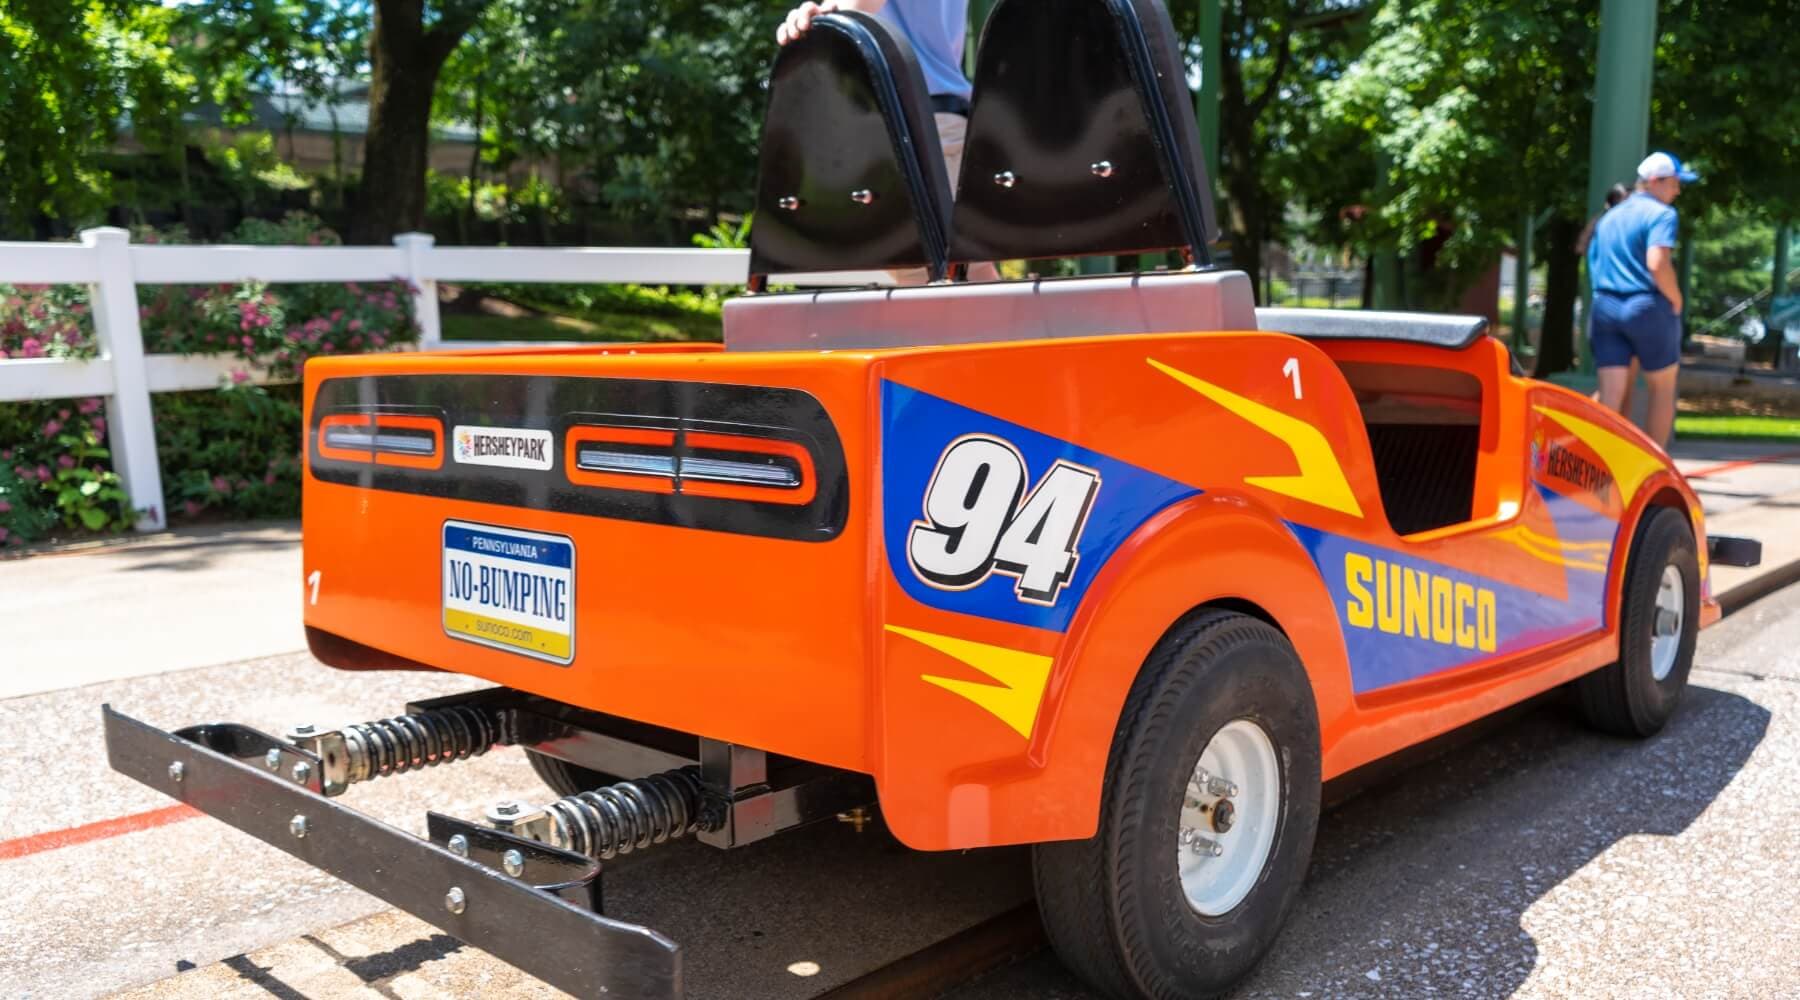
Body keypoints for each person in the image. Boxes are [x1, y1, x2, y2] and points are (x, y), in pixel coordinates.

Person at [777, 0, 1000, 283]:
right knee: (965, 289)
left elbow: (855, 11)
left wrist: (823, 25)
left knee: (950, 295)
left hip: (909, 126)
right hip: (932, 121)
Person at [1585, 151, 1697, 450]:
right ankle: (1655, 473)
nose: (1677, 191)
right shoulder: (1661, 214)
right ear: (1655, 182)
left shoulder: (1610, 216)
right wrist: (1676, 298)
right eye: (1674, 183)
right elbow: (1657, 262)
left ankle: (1597, 465)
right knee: (1662, 389)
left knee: (1611, 395)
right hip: (1646, 306)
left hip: (1605, 307)